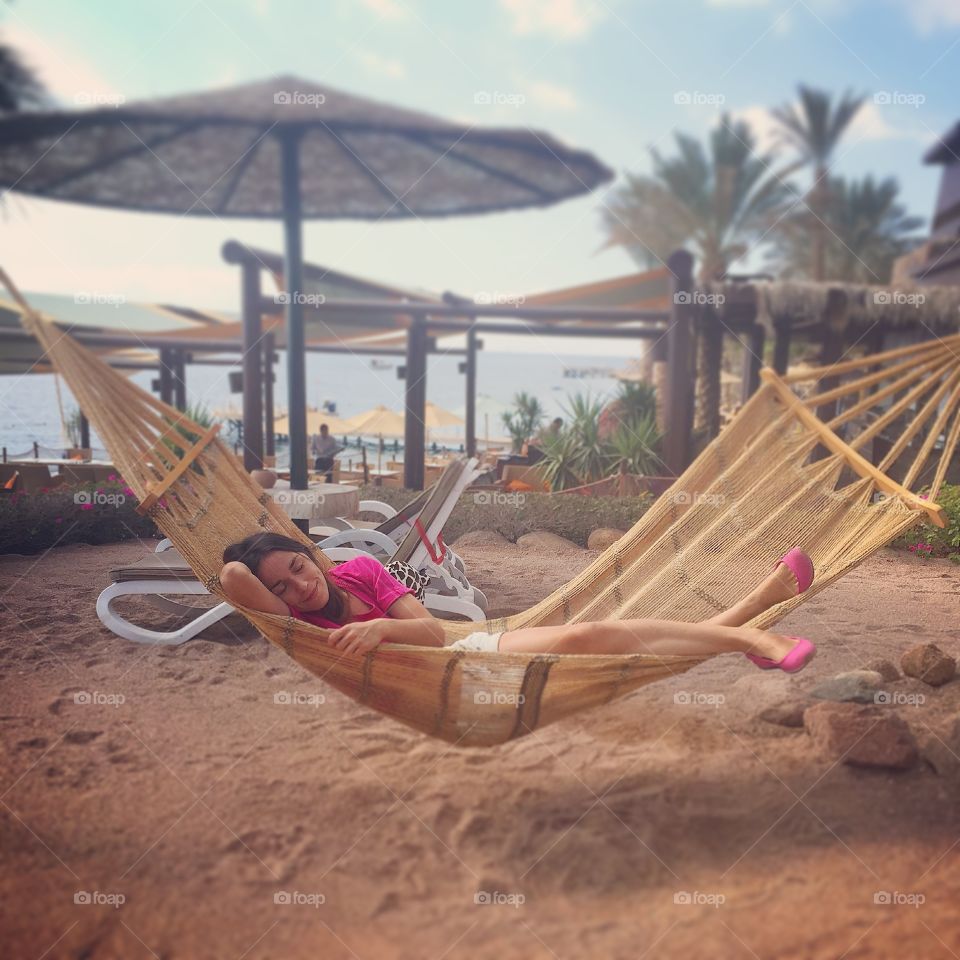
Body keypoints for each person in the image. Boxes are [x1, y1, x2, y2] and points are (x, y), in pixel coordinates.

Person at [220, 533, 816, 670]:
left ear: (312, 556)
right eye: (281, 588)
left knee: (588, 635)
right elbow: (229, 577)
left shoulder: (361, 571)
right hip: (454, 683)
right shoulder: (292, 620)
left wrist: (377, 630)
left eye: (299, 567)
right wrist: (261, 576)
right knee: (593, 641)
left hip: (464, 652)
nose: (299, 588)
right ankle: (747, 630)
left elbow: (429, 634)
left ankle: (746, 627)